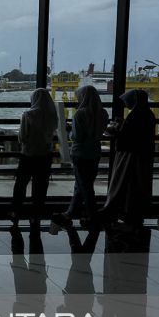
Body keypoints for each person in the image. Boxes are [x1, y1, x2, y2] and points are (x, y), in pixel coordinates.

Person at [53, 85, 109, 229]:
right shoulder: (103, 113)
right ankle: (69, 213)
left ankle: (92, 215)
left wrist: (69, 129)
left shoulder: (80, 114)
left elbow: (76, 137)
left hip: (80, 153)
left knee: (85, 186)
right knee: (83, 184)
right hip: (95, 153)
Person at [100, 89, 156, 229]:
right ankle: (133, 212)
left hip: (130, 155)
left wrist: (114, 128)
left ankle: (120, 209)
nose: (125, 104)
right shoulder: (147, 114)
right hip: (142, 155)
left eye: (127, 101)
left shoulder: (136, 116)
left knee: (124, 181)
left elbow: (126, 135)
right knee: (137, 184)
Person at [10, 88, 58, 228]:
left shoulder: (28, 115)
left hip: (29, 155)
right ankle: (35, 215)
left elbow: (22, 137)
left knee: (21, 184)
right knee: (41, 186)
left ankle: (16, 211)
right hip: (45, 156)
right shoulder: (53, 115)